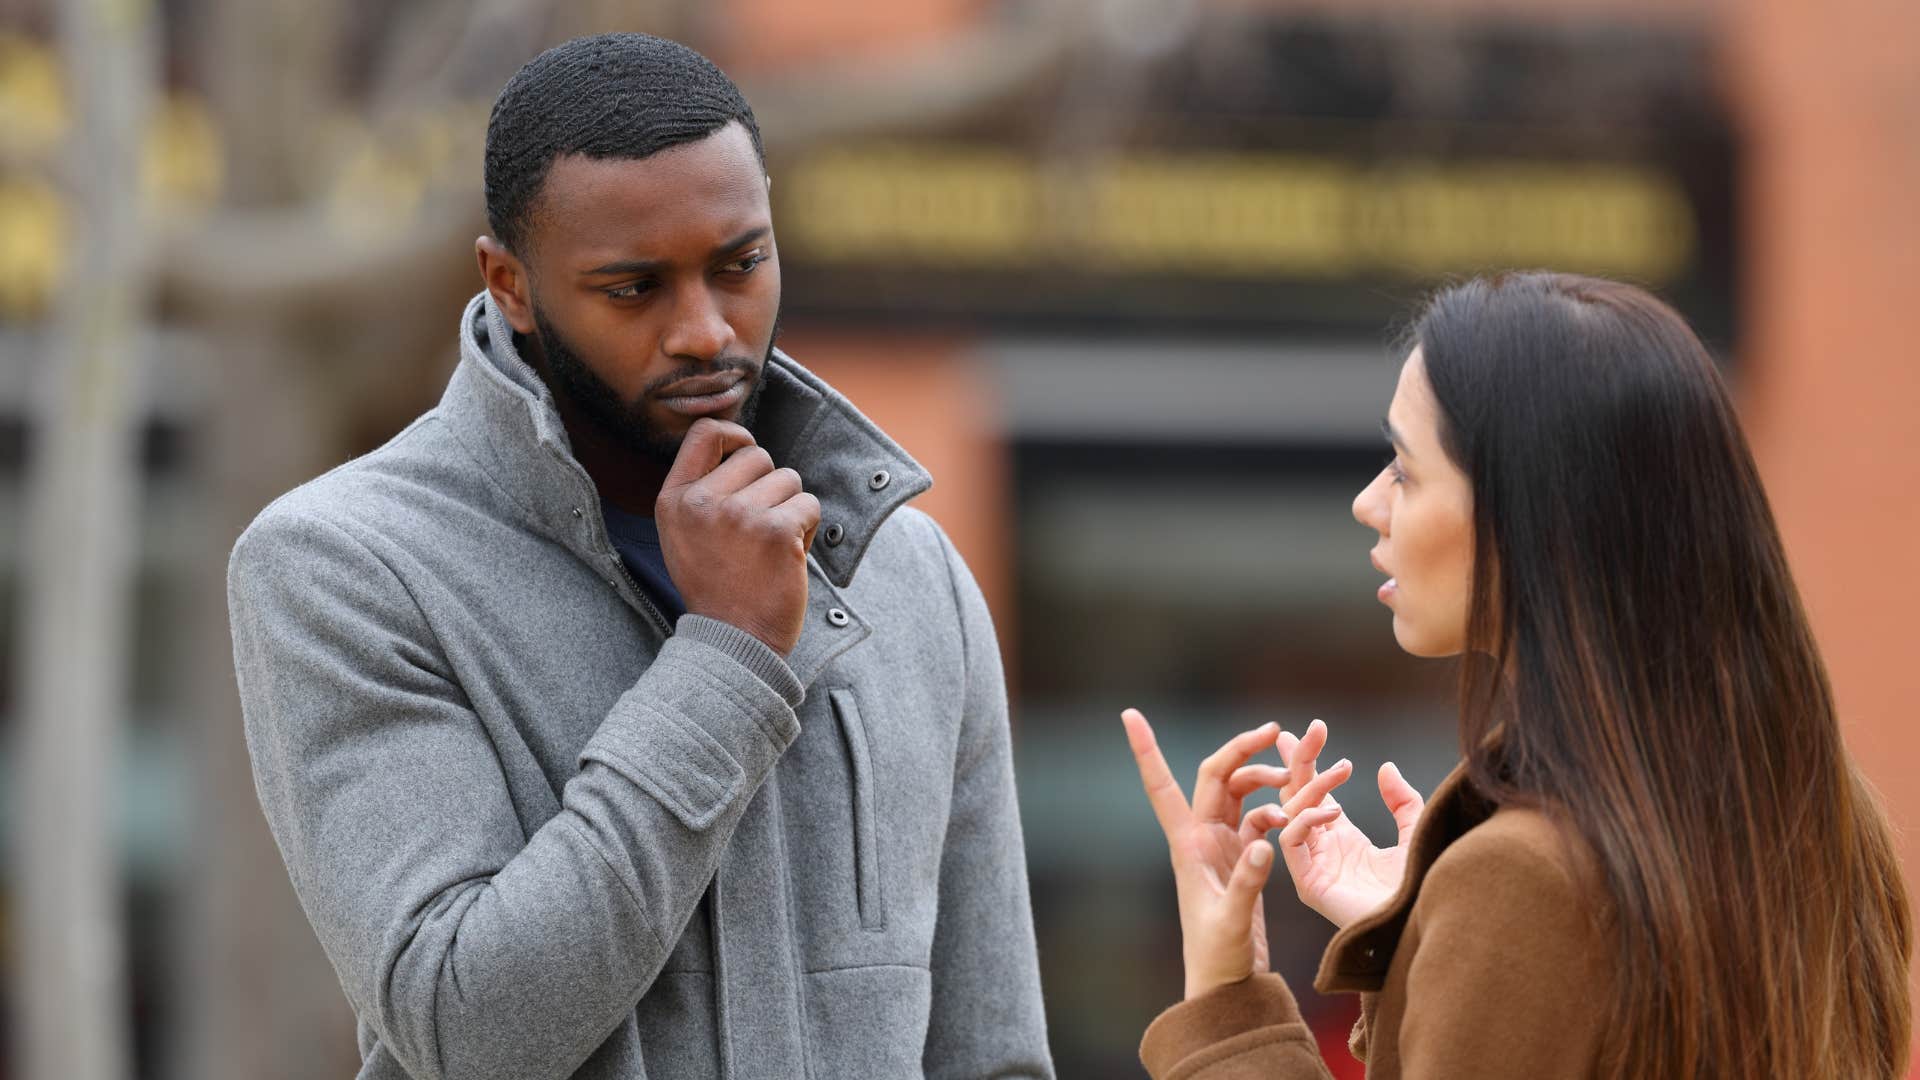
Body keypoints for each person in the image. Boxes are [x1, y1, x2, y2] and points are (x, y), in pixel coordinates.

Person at [227, 33, 1052, 1080]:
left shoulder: (907, 568)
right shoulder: (345, 569)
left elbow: (992, 1052)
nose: (705, 331)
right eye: (634, 288)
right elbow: (467, 1029)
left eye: (739, 265)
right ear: (511, 284)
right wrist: (728, 655)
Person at [1121, 272, 1912, 1078]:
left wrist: (1228, 999)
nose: (1369, 502)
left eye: (1403, 468)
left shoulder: (1517, 883)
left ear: (1525, 514)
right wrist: (1427, 937)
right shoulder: (1822, 818)